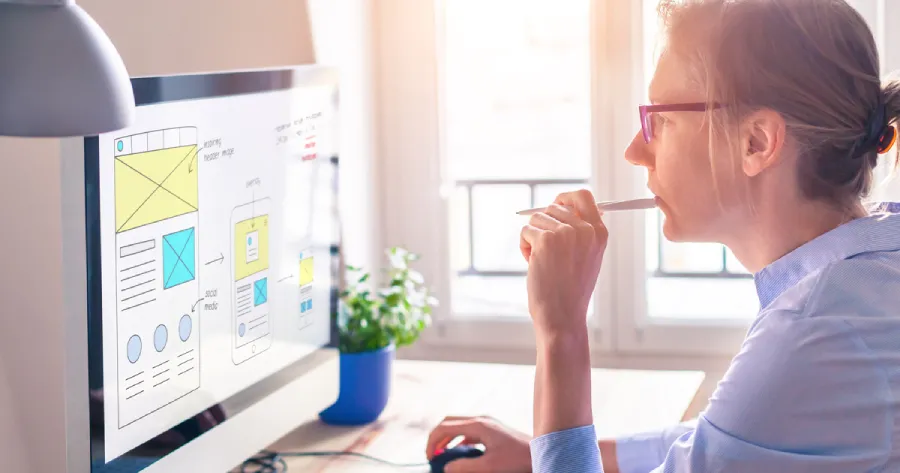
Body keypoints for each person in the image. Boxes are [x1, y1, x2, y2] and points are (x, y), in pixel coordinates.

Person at [426, 0, 900, 471]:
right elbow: (724, 438)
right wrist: (539, 454)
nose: (635, 151)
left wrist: (561, 330)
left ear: (756, 141)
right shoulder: (869, 269)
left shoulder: (814, 330)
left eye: (661, 120)